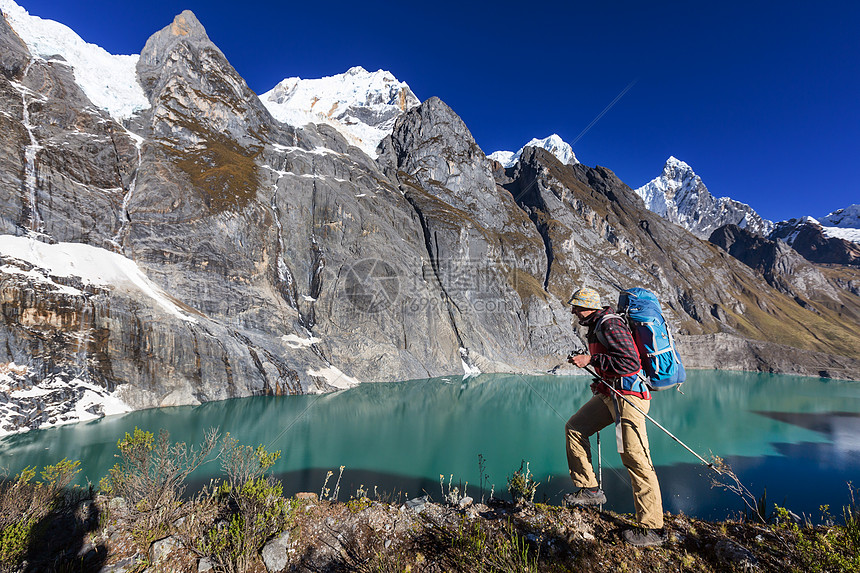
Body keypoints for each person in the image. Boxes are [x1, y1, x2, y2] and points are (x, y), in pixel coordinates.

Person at [564, 286, 665, 547]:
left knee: (635, 457)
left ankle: (652, 526)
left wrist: (591, 360)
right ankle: (589, 489)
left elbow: (630, 363)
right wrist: (596, 369)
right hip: (611, 394)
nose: (574, 311)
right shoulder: (597, 326)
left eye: (577, 306)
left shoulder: (610, 325)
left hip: (629, 397)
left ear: (590, 307)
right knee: (575, 427)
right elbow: (612, 361)